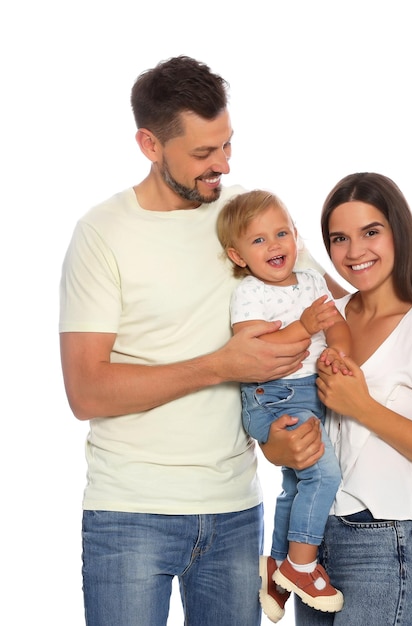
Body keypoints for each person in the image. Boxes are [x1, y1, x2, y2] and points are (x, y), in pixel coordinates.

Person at [59, 56, 334, 626]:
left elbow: (339, 305)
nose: (224, 164)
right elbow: (86, 390)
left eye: (227, 144)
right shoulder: (101, 233)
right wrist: (219, 365)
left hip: (236, 510)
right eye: (204, 154)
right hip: (129, 512)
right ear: (149, 144)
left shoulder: (246, 218)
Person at [291, 172, 412, 626]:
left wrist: (364, 408)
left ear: (399, 232)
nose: (355, 251)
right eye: (340, 238)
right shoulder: (326, 317)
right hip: (312, 544)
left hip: (384, 547)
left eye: (371, 232)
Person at [217, 189, 351, 621]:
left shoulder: (312, 280)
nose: (274, 245)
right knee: (324, 473)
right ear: (238, 257)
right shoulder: (251, 292)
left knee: (297, 485)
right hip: (272, 397)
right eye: (258, 241)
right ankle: (302, 565)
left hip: (309, 390)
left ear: (296, 235)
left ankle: (275, 567)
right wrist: (303, 326)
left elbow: (338, 325)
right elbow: (255, 350)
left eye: (281, 233)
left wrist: (339, 352)